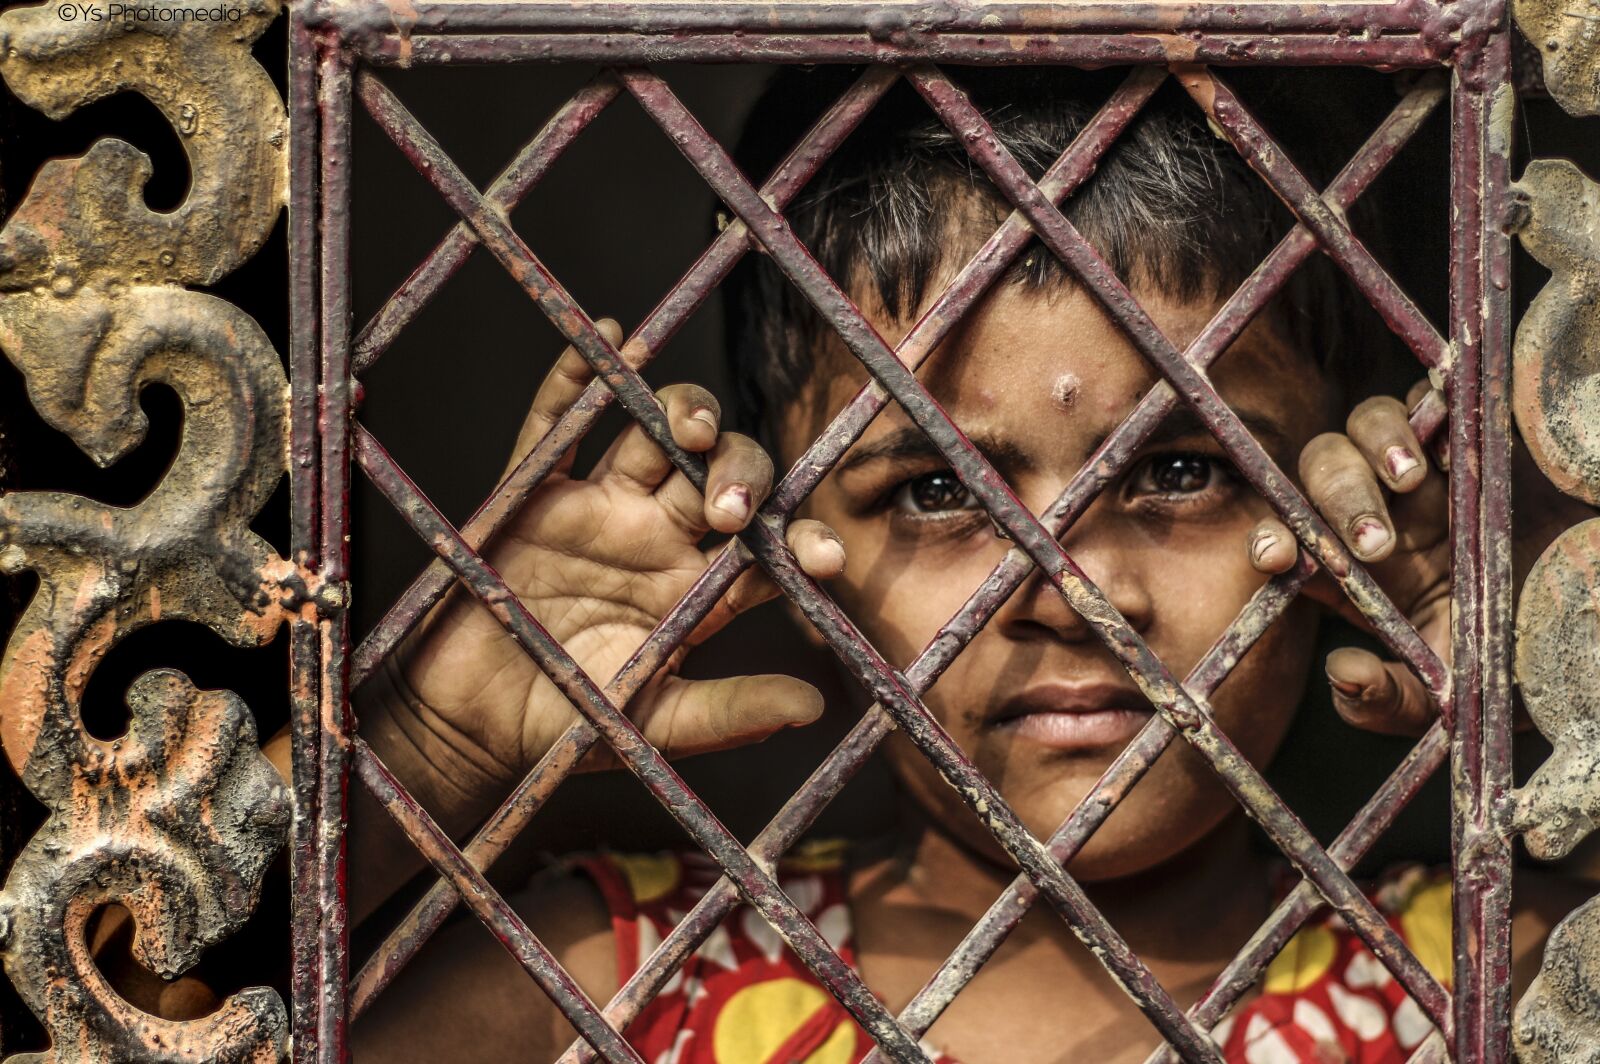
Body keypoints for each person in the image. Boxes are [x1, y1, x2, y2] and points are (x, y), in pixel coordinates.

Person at [345, 67, 1587, 1063]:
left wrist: (1560, 656)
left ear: (1340, 491)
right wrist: (421, 750)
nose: (1074, 591)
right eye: (937, 491)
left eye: (1180, 470)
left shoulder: (1496, 973)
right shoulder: (608, 979)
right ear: (785, 541)